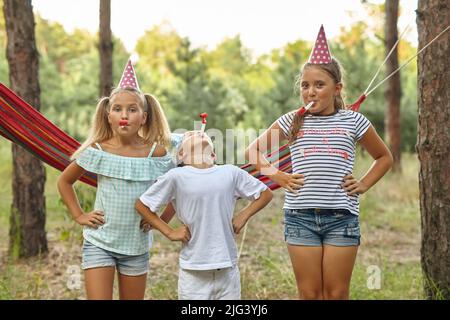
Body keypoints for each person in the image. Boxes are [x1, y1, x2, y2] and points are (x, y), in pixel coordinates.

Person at [245, 26, 393, 300]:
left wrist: (363, 184)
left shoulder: (353, 121)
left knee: (336, 293)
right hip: (300, 217)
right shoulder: (292, 120)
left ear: (337, 89)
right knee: (310, 293)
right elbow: (252, 152)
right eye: (305, 85)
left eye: (319, 85)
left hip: (341, 218)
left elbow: (384, 157)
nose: (311, 91)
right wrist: (277, 175)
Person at [57, 60, 179, 300]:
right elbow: (64, 182)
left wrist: (160, 220)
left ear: (144, 117)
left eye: (132, 110)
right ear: (108, 115)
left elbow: (178, 189)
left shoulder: (156, 153)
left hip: (136, 246)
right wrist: (79, 215)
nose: (124, 115)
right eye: (118, 109)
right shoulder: (98, 151)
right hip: (99, 241)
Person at [135, 131, 273, 300]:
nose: (198, 133)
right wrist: (169, 232)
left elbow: (265, 194)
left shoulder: (230, 172)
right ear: (181, 155)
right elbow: (142, 205)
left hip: (227, 268)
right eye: (189, 136)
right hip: (193, 270)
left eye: (203, 134)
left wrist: (243, 215)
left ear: (213, 155)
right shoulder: (176, 176)